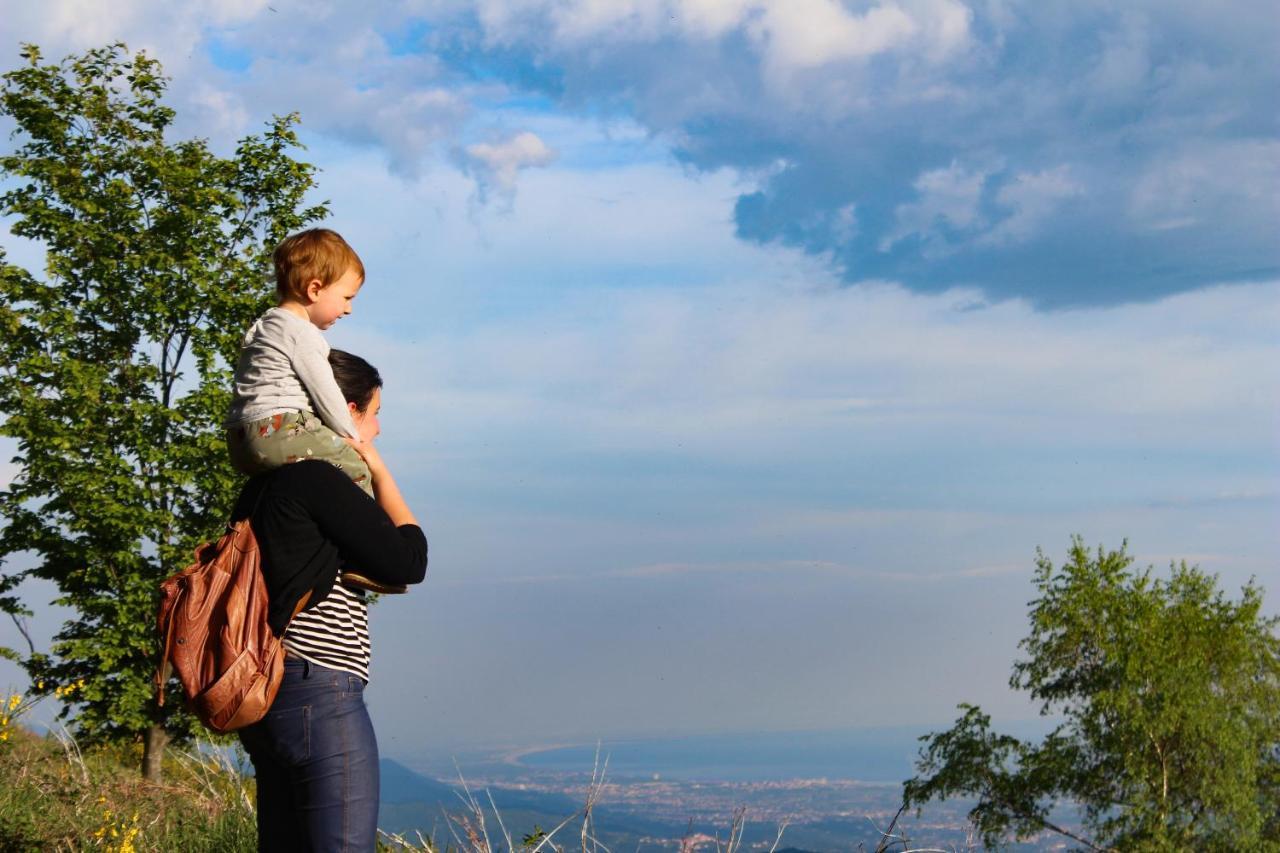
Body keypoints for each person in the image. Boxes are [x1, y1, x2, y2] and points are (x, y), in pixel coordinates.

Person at [233, 349, 427, 852]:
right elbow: (410, 560)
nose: (378, 429)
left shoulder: (260, 488)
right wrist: (381, 474)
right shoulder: (315, 479)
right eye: (375, 413)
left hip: (268, 691)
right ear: (343, 410)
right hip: (318, 691)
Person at [225, 228, 373, 496]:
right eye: (347, 298)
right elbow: (326, 393)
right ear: (314, 289)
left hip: (240, 439)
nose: (349, 309)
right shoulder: (301, 332)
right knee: (358, 470)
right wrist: (353, 438)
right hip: (278, 428)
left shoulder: (267, 324)